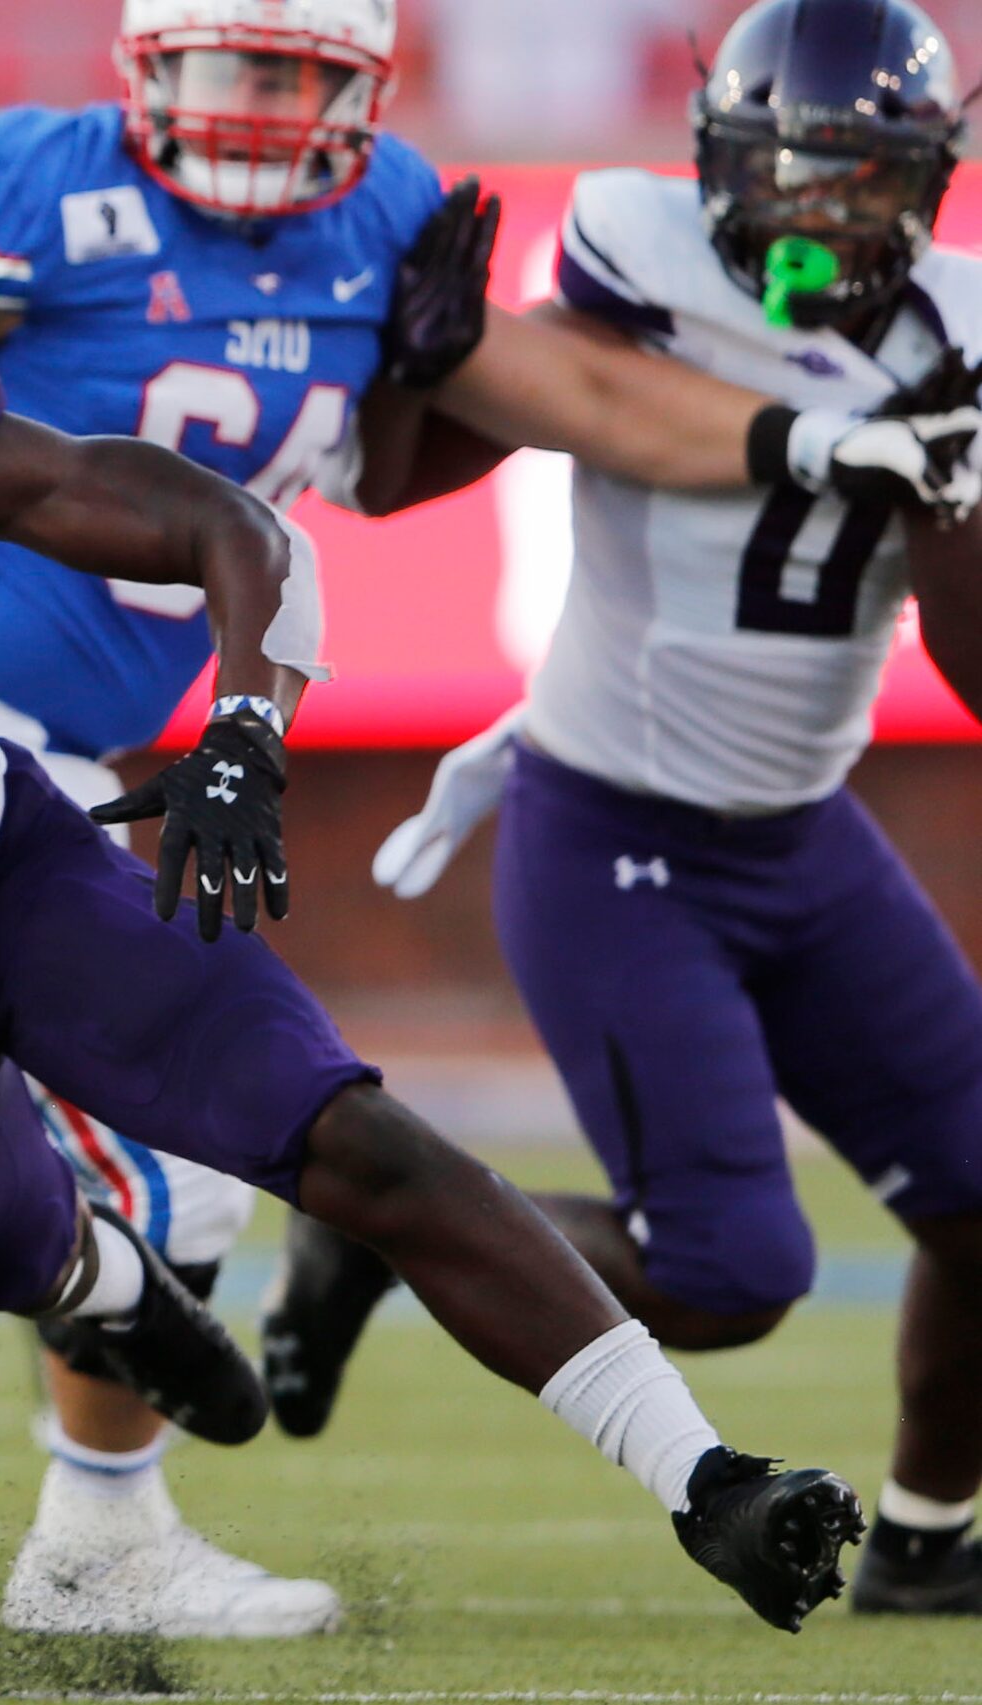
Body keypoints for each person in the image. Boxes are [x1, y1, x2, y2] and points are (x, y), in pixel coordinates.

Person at [0, 0, 981, 1636]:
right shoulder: (9, 201)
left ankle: (161, 1526)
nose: (262, 110)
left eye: (297, 73)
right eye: (231, 66)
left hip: (12, 802)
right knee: (24, 1208)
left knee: (269, 1147)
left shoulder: (355, 229)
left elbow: (425, 457)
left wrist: (798, 439)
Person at [291, 0, 982, 1619]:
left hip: (803, 828)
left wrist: (952, 486)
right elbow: (398, 475)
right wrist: (428, 361)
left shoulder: (958, 320)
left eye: (871, 182)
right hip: (616, 831)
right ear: (721, 169)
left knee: (980, 1192)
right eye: (800, 178)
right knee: (733, 1275)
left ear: (932, 183)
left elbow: (973, 656)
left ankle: (934, 1536)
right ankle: (407, 1230)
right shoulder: (635, 247)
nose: (831, 218)